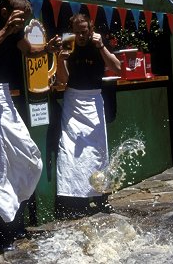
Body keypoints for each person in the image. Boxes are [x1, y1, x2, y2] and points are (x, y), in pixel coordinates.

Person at [0, 0, 61, 252]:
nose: (21, 23)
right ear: (5, 11)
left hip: (5, 96)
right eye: (19, 17)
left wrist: (47, 49)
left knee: (30, 157)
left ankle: (12, 214)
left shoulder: (14, 30)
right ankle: (2, 232)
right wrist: (6, 31)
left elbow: (29, 51)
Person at [54, 13, 121, 219]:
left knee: (98, 152)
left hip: (94, 99)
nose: (81, 36)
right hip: (73, 100)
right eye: (76, 32)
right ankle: (74, 200)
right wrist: (60, 59)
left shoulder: (98, 43)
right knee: (71, 152)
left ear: (91, 29)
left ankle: (101, 198)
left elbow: (117, 67)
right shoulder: (67, 44)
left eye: (84, 32)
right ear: (71, 31)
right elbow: (63, 80)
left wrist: (102, 47)